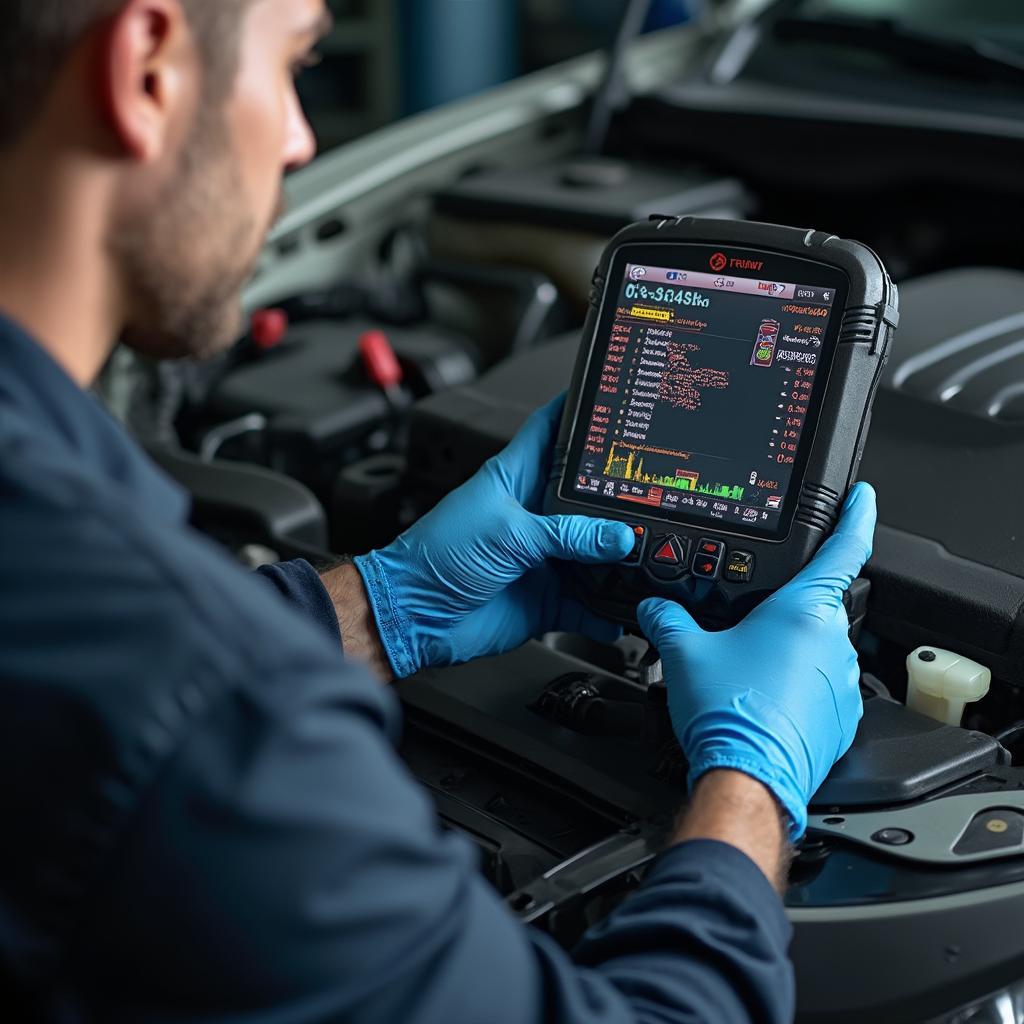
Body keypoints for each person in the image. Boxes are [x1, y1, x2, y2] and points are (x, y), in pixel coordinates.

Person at [0, 1, 877, 1021]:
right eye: (293, 66)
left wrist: (377, 605)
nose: (301, 138)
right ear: (147, 70)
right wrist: (750, 782)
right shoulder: (215, 712)